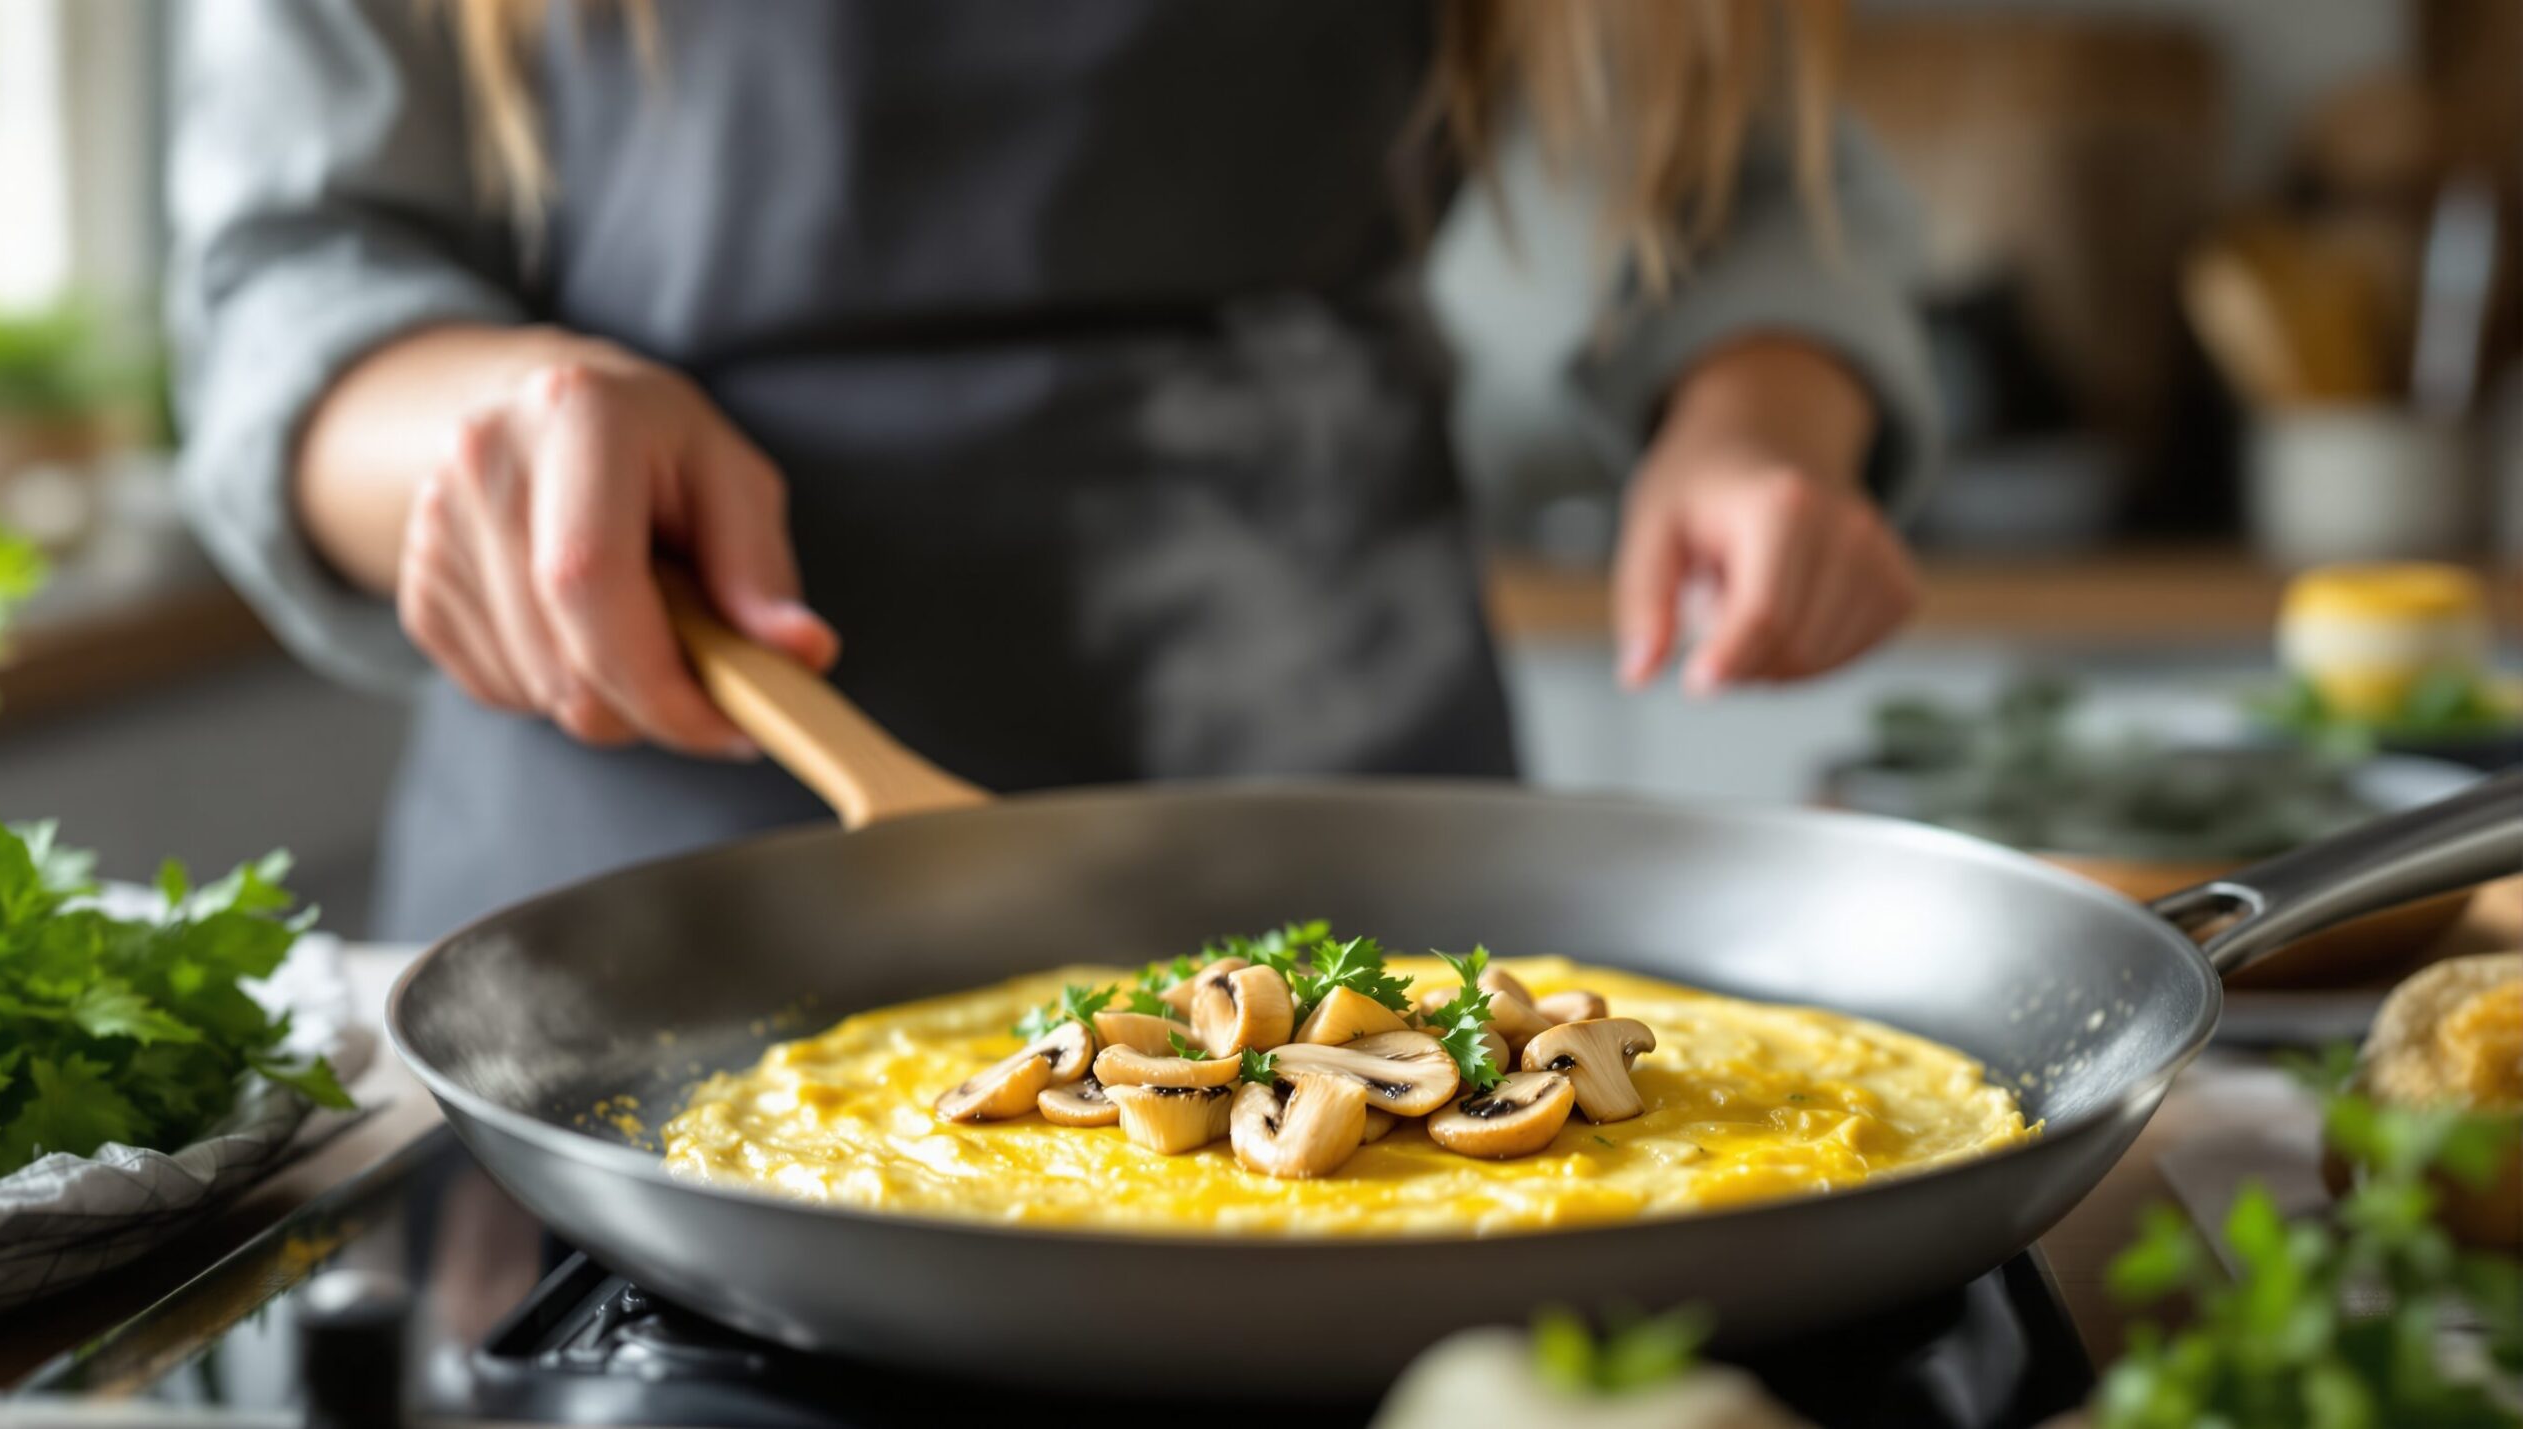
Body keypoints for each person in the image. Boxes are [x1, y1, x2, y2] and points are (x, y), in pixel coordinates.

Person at [170, 0, 1935, 941]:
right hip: (632, 879)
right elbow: (285, 283)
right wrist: (495, 419)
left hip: (1349, 828)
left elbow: (1741, 170)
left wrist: (1759, 422)